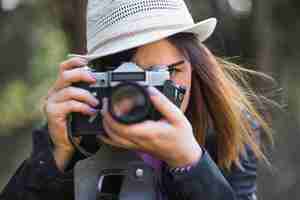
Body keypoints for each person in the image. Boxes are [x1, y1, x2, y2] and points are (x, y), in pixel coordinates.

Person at [0, 0, 272, 199]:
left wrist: (190, 162)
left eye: (170, 72)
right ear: (98, 78)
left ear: (196, 65)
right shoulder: (78, 122)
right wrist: (54, 157)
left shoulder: (226, 127)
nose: (149, 94)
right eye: (131, 81)